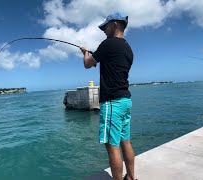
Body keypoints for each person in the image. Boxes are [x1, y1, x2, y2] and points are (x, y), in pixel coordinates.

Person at [80, 12, 135, 180]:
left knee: (112, 146)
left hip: (112, 102)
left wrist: (85, 53)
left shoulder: (108, 44)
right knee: (125, 141)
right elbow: (111, 64)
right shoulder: (127, 48)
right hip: (125, 100)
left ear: (115, 25)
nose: (104, 30)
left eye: (106, 27)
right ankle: (132, 178)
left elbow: (88, 64)